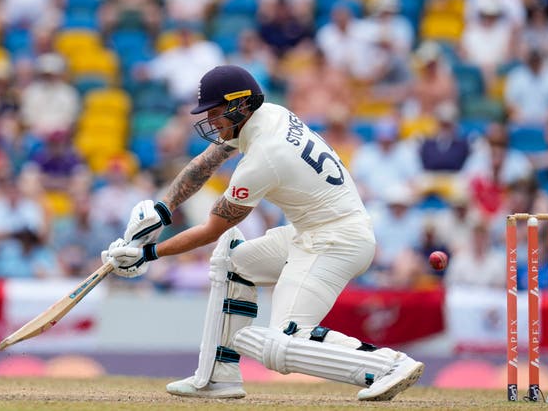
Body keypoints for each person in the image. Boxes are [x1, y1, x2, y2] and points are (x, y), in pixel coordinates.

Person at [101, 65, 424, 401]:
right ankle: (218, 378)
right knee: (233, 264)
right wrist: (162, 209)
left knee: (286, 340)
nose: (211, 122)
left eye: (214, 113)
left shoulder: (264, 157)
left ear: (238, 106)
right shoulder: (270, 114)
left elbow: (214, 228)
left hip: (335, 242)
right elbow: (206, 163)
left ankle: (387, 365)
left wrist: (150, 253)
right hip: (314, 232)